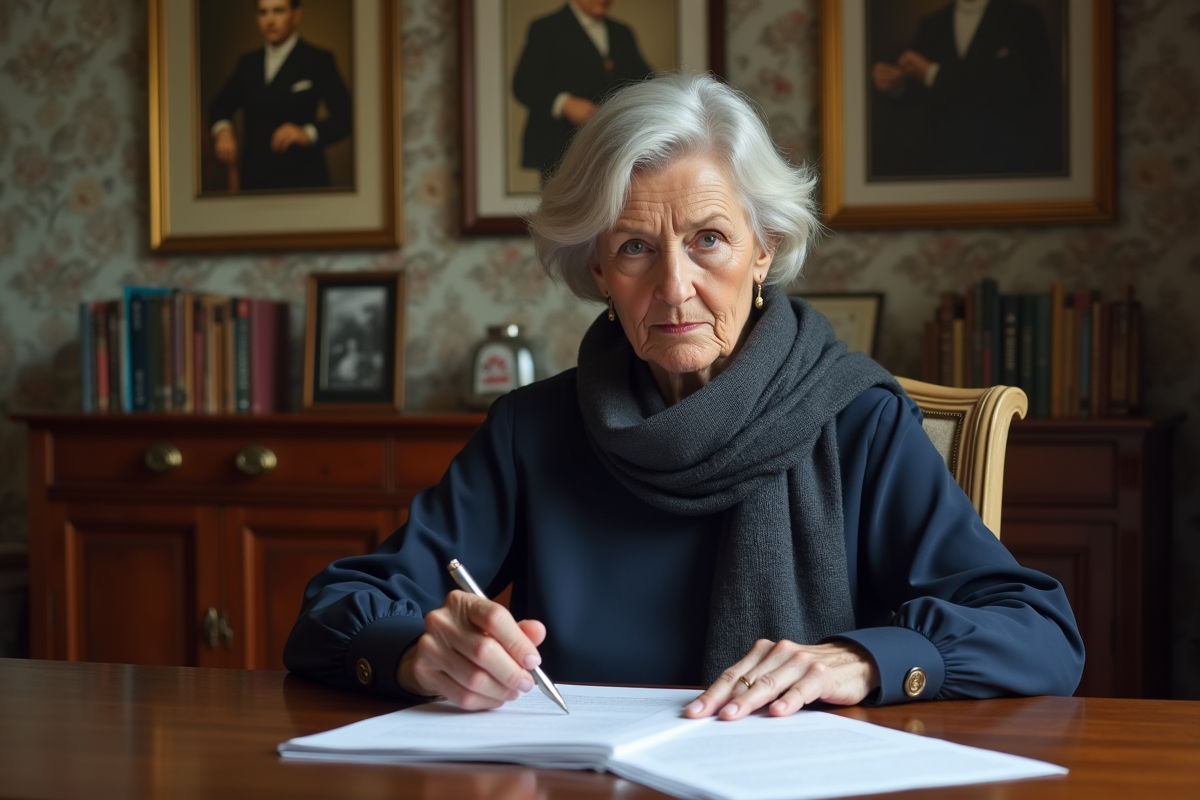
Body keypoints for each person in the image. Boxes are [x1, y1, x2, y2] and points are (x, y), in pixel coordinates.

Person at [283, 74, 1083, 718]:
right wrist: (417, 653)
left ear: (764, 249)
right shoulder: (534, 429)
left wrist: (862, 658)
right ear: (598, 272)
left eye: (709, 238)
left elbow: (1039, 633)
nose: (675, 287)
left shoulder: (858, 421)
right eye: (635, 247)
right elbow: (336, 611)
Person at [870, 0, 1061, 177]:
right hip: (942, 166)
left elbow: (1028, 89)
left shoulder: (1024, 19)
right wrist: (897, 84)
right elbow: (923, 94)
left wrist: (932, 73)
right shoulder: (932, 24)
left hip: (1006, 166)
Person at [208, 0, 352, 191]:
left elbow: (347, 117)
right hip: (255, 184)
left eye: (278, 11)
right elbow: (219, 106)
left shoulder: (318, 60)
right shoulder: (248, 64)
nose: (270, 20)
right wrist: (223, 130)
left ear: (296, 15)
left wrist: (306, 133)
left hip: (304, 181)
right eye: (263, 12)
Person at [511, 0, 652, 182]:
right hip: (559, 145)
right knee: (564, 206)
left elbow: (646, 80)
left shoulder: (622, 33)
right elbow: (523, 85)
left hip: (611, 143)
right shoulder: (546, 28)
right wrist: (565, 104)